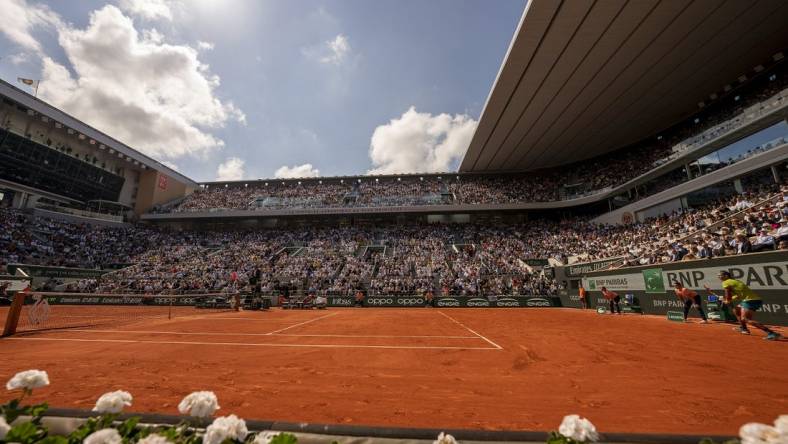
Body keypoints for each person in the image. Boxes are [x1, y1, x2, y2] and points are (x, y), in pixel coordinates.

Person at [704, 271, 781, 340]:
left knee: (745, 319)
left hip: (749, 301)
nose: (719, 277)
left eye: (720, 275)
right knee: (736, 310)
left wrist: (727, 300)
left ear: (726, 276)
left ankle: (772, 333)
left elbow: (727, 295)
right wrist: (711, 292)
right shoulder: (735, 282)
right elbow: (735, 296)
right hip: (755, 300)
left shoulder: (726, 282)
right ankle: (743, 328)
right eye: (718, 276)